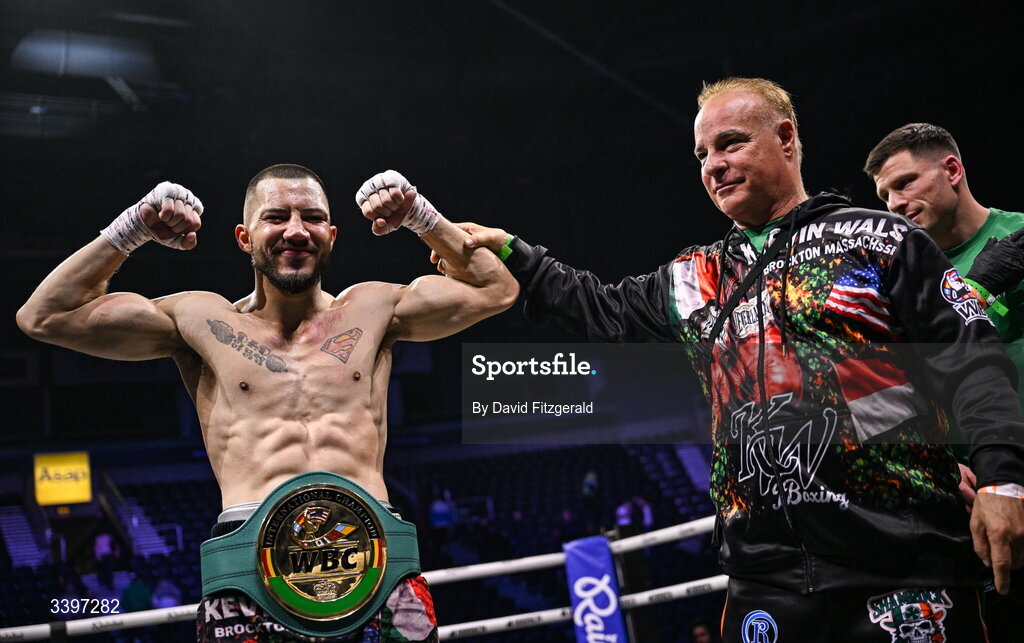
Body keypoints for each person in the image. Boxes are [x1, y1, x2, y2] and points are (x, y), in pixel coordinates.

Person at [433, 78, 1024, 641]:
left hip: (902, 559)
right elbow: (596, 307)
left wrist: (1004, 479)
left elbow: (973, 362)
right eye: (702, 154)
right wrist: (510, 251)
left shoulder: (880, 238)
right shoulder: (694, 276)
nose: (713, 165)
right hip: (764, 581)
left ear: (786, 139)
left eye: (731, 143)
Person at [16, 165, 518, 642]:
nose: (296, 231)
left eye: (313, 218)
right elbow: (43, 316)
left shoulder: (377, 308)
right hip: (249, 565)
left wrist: (420, 215)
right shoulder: (200, 320)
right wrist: (132, 228)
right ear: (245, 237)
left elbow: (498, 288)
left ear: (332, 235)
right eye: (276, 217)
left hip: (377, 555)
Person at [866, 123, 1024, 641]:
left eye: (905, 183)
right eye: (885, 195)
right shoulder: (892, 284)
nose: (895, 203)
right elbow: (880, 394)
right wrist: (932, 463)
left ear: (952, 170)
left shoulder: (1017, 236)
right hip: (970, 506)